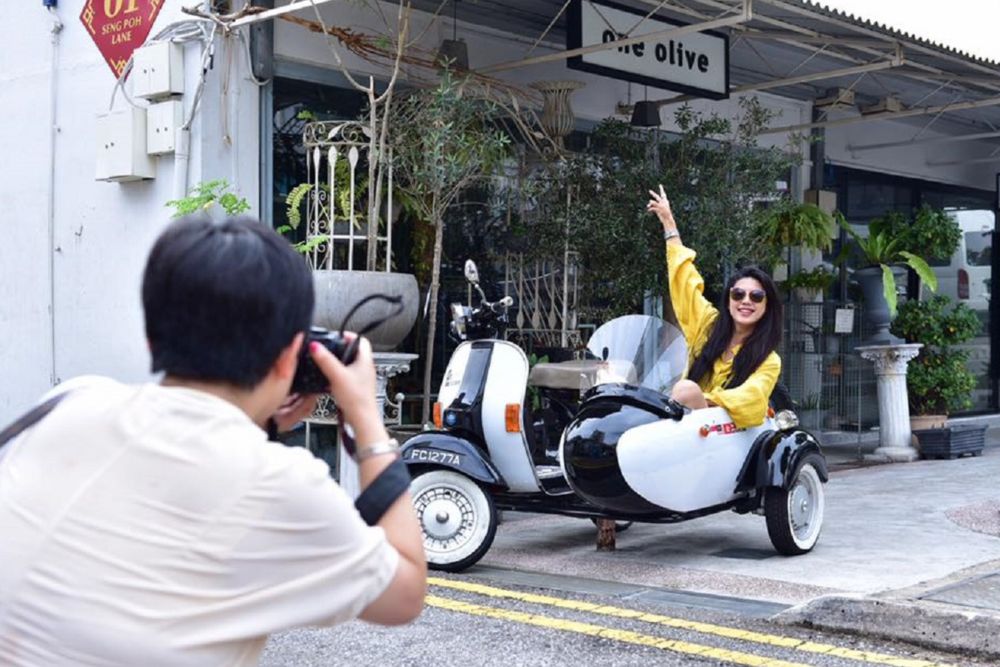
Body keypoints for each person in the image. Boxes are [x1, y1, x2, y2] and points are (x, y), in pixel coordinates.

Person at [0, 216, 426, 665]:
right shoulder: (280, 481)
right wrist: (365, 416)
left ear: (151, 339)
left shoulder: (71, 401)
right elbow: (404, 593)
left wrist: (261, 423)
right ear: (288, 357)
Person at [647, 185, 783, 428]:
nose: (746, 301)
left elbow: (751, 398)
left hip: (727, 435)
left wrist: (699, 399)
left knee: (687, 389)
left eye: (756, 297)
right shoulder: (708, 326)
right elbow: (685, 281)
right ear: (729, 298)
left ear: (767, 306)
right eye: (738, 294)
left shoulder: (768, 358)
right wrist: (669, 223)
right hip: (686, 427)